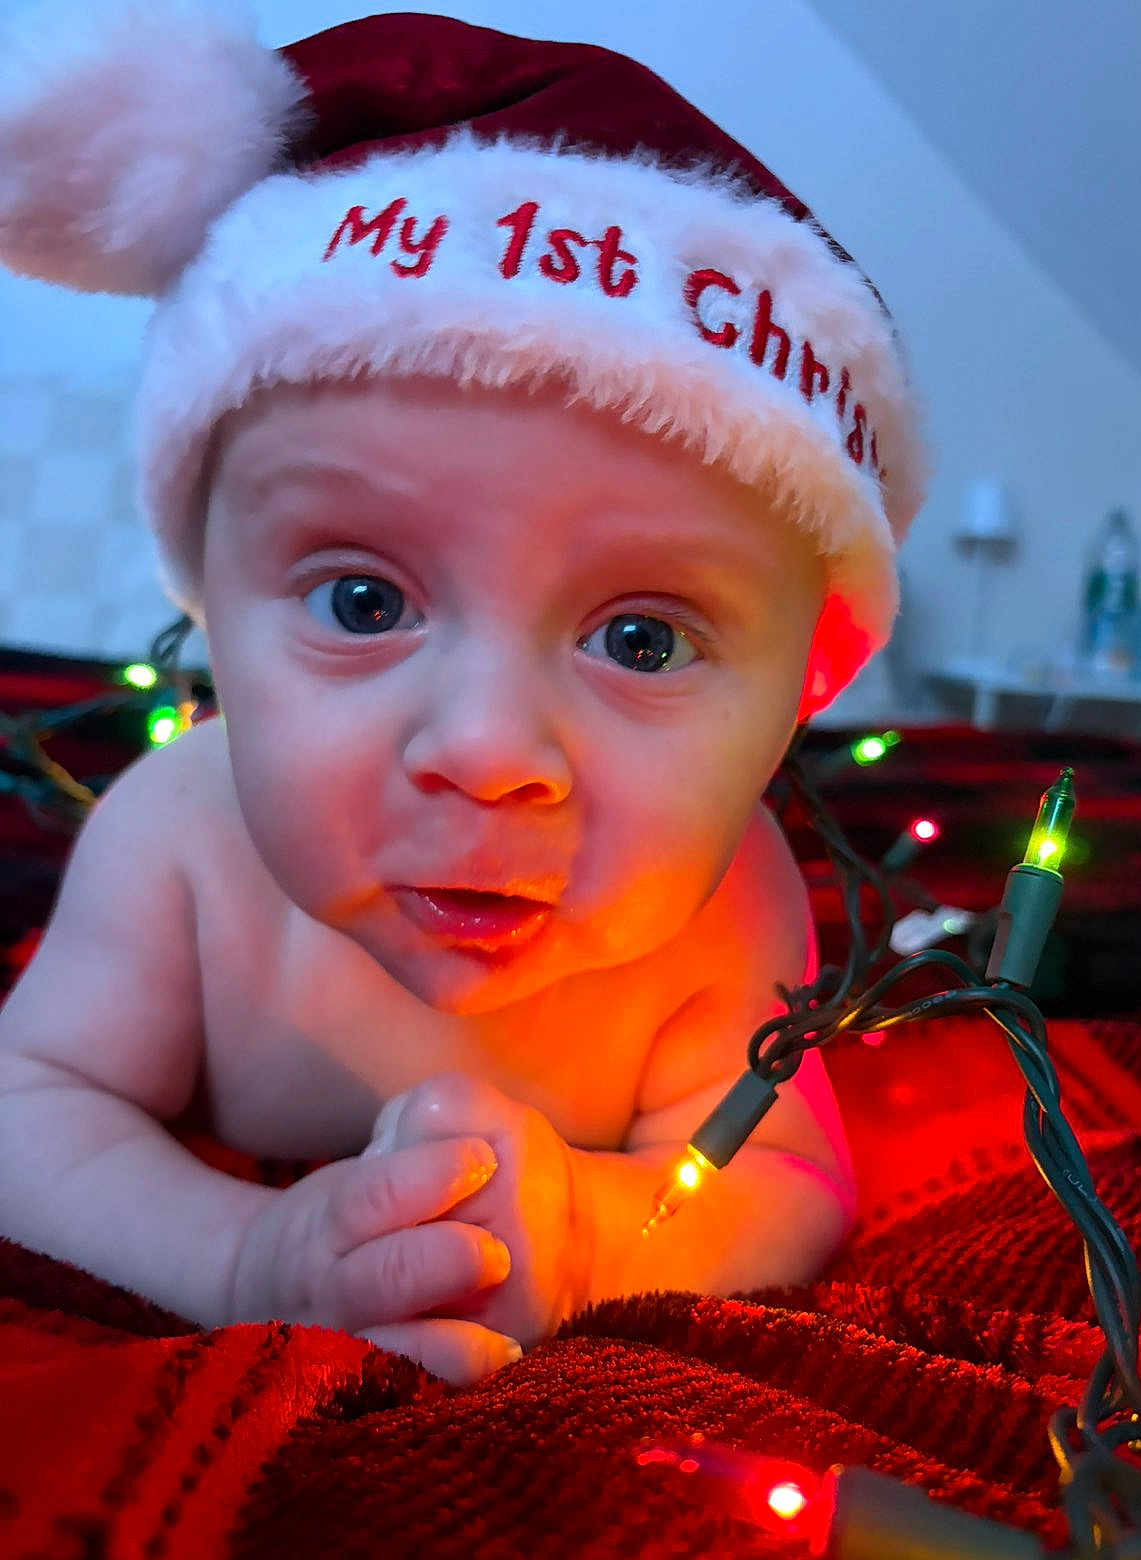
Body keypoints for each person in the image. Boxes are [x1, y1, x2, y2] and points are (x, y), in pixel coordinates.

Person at [0, 5, 928, 1385]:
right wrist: (243, 1255)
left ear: (807, 680)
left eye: (645, 640)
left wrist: (601, 1234)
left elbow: (784, 1179)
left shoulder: (731, 902)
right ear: (214, 603)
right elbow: (29, 1108)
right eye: (361, 604)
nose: (489, 754)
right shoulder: (174, 837)